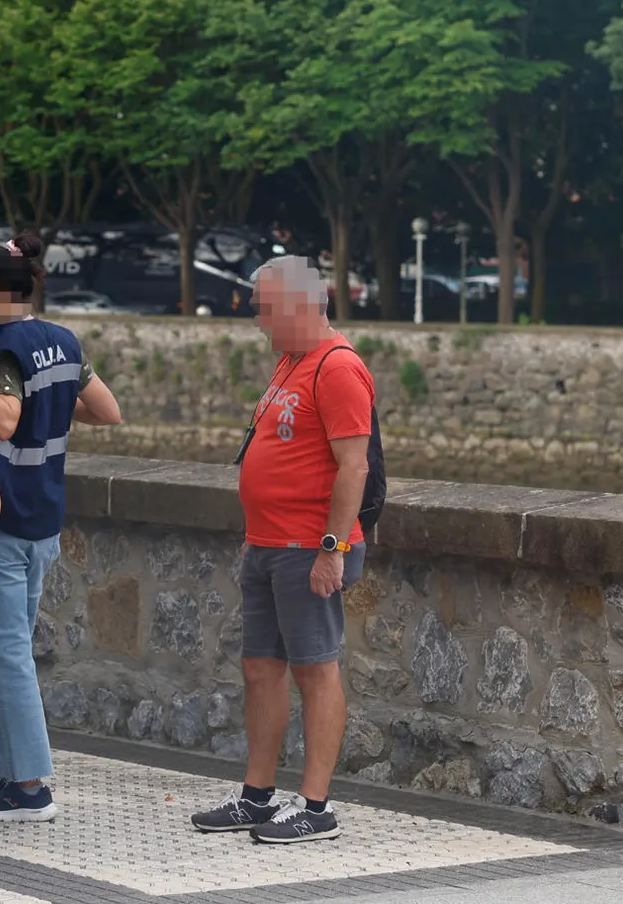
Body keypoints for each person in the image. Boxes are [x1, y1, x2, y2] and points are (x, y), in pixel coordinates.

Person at [191, 255, 371, 844]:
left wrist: (332, 547)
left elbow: (354, 466)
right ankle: (257, 797)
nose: (259, 323)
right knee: (260, 670)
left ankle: (316, 807)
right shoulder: (291, 360)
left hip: (307, 545)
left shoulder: (338, 367)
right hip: (267, 543)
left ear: (299, 304)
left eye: (266, 310)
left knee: (315, 671)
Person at [0, 234, 122, 821]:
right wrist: (56, 403)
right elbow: (107, 410)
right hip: (45, 519)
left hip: (1, 522)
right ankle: (1, 772)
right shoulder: (65, 341)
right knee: (11, 650)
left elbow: (3, 417)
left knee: (9, 654)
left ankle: (29, 787)